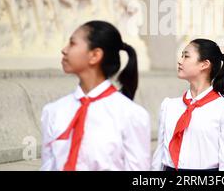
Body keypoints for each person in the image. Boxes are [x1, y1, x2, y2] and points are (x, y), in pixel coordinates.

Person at [40, 20, 150, 171]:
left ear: (95, 55)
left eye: (72, 43)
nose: (64, 50)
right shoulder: (53, 111)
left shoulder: (131, 115)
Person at [152, 39, 224, 171]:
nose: (180, 61)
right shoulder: (169, 106)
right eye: (181, 56)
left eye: (186, 56)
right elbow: (159, 155)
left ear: (204, 64)